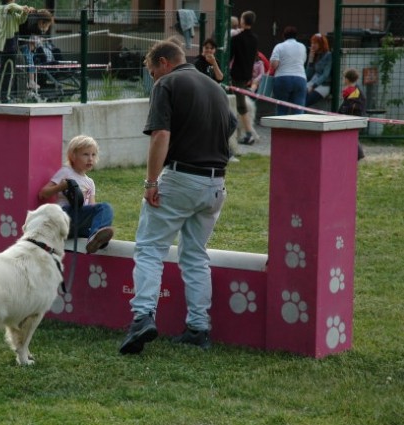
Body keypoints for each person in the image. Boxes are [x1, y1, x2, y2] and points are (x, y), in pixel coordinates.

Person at [119, 39, 235, 355]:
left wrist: (151, 182)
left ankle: (142, 317)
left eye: (152, 71)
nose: (153, 78)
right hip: (216, 184)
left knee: (149, 248)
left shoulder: (167, 84)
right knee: (196, 256)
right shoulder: (216, 87)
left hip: (181, 177)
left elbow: (161, 135)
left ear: (164, 63)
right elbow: (230, 129)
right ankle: (198, 328)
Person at [38, 135, 114, 254]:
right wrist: (61, 187)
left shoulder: (90, 183)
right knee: (105, 207)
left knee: (104, 211)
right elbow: (43, 194)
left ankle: (95, 239)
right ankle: (95, 237)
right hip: (64, 216)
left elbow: (92, 206)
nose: (90, 159)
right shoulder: (66, 172)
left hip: (76, 226)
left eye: (93, 155)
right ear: (73, 156)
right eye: (85, 154)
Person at [0, 0, 34, 103]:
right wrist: (24, 7)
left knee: (10, 72)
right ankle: (3, 97)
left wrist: (25, 12)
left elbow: (21, 20)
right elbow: (12, 6)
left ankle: (6, 97)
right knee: (4, 71)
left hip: (13, 44)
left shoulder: (12, 12)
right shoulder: (3, 9)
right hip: (5, 44)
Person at [230, 11, 258, 145]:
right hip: (247, 74)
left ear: (242, 21)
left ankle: (249, 134)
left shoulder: (236, 39)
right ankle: (244, 132)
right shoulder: (255, 39)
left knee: (241, 105)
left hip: (236, 75)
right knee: (239, 103)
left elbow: (230, 57)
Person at [270, 26, 307, 115]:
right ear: (296, 36)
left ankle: (281, 128)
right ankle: (298, 128)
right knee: (298, 110)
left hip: (282, 79)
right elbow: (304, 61)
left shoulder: (279, 46)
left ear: (284, 36)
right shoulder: (302, 47)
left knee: (281, 109)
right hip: (300, 79)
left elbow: (274, 65)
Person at [338, 68, 366, 160]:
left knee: (352, 136)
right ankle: (357, 154)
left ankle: (359, 154)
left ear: (347, 79)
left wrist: (341, 112)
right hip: (356, 116)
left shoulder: (351, 91)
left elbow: (349, 105)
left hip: (353, 117)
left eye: (344, 78)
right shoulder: (356, 90)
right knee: (352, 136)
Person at [305, 33, 332, 107]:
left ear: (321, 44)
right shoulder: (315, 55)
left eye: (315, 43)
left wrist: (313, 86)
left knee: (306, 102)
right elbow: (308, 75)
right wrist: (310, 59)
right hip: (312, 82)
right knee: (299, 97)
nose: (313, 45)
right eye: (312, 43)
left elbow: (325, 75)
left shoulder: (328, 55)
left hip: (323, 85)